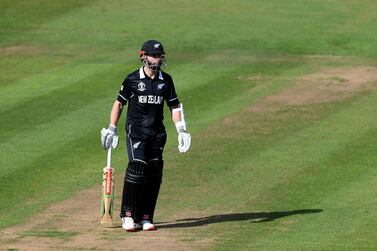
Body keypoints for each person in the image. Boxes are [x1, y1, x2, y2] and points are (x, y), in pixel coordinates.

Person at [101, 39, 191, 231]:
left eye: (160, 56)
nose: (158, 59)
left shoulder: (166, 80)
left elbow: (174, 105)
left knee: (154, 172)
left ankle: (145, 216)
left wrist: (181, 129)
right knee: (137, 168)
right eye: (154, 55)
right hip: (137, 132)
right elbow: (119, 103)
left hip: (157, 133)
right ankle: (127, 215)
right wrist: (112, 127)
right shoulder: (132, 79)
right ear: (144, 57)